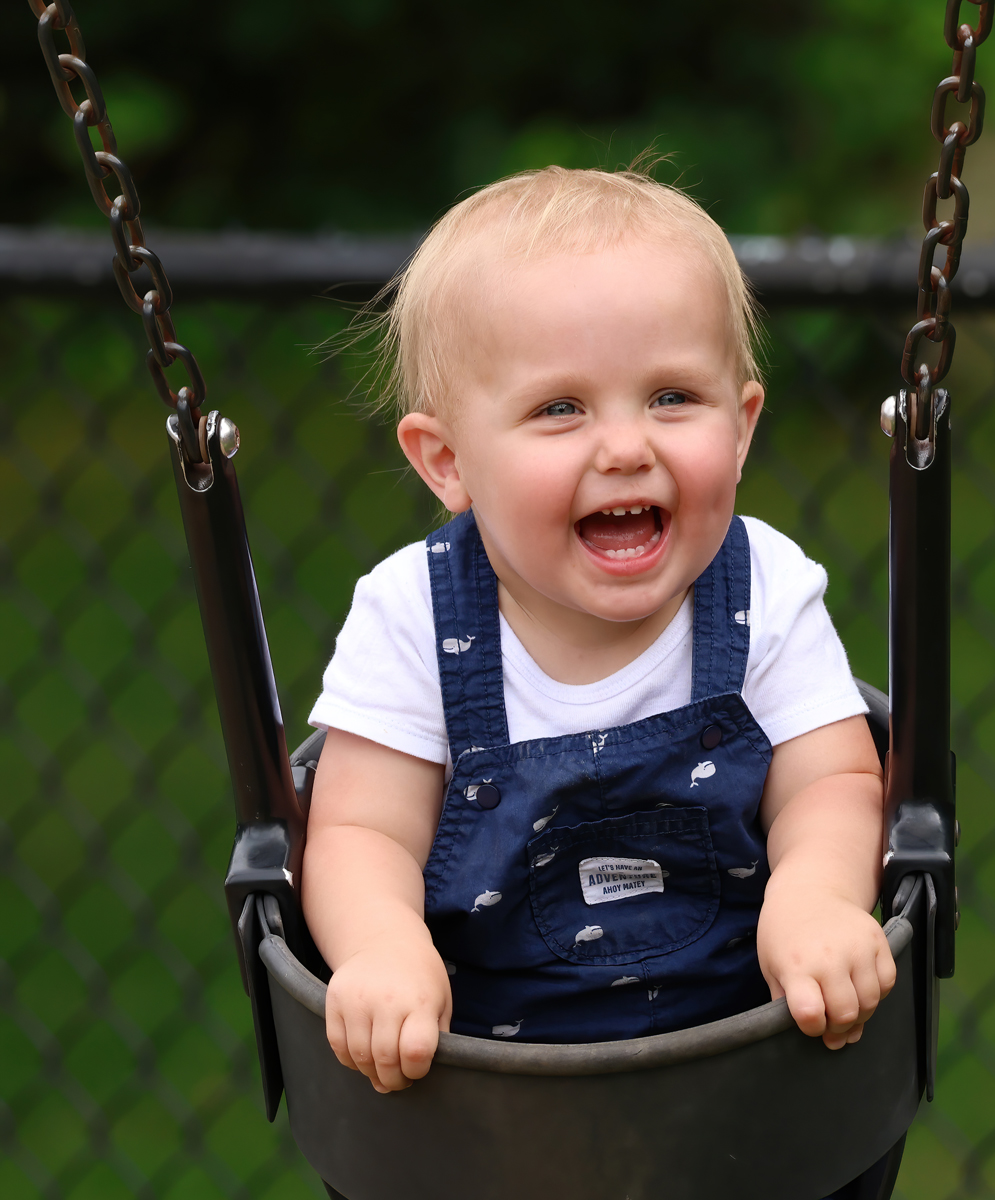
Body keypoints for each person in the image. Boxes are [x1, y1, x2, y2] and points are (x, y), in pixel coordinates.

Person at [302, 165, 896, 1096]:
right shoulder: (414, 615)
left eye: (671, 398)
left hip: (744, 1081)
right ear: (448, 461)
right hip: (488, 1094)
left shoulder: (764, 587)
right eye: (559, 409)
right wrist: (381, 948)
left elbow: (837, 780)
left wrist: (814, 900)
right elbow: (358, 830)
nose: (626, 447)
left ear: (740, 429)